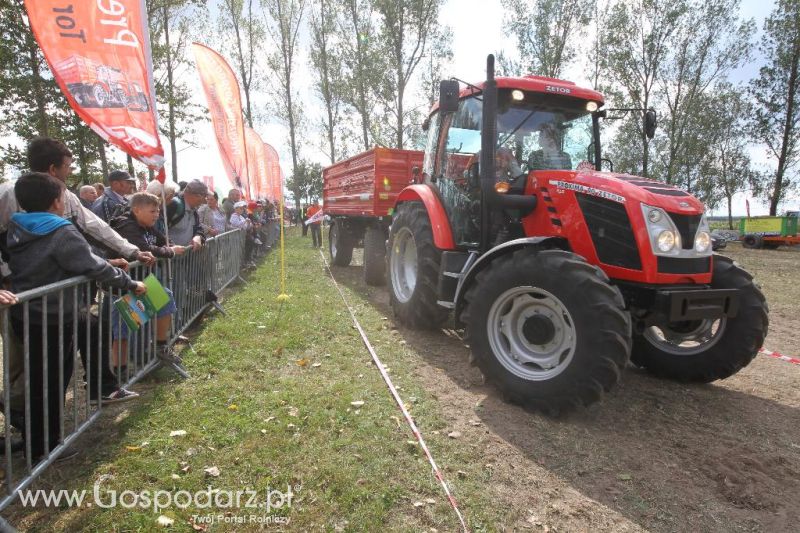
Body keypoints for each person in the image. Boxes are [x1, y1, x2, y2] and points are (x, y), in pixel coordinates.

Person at [7, 172, 146, 461]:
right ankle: (45, 445)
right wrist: (130, 282)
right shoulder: (60, 230)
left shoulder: (16, 227)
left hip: (27, 313)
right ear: (57, 200)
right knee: (54, 381)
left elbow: (69, 260)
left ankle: (36, 439)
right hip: (54, 316)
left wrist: (104, 261)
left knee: (38, 379)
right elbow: (88, 264)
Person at [109, 193, 185, 369]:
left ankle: (160, 347)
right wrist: (170, 251)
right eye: (152, 211)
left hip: (140, 284)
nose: (156, 214)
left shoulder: (147, 225)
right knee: (122, 332)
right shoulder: (126, 225)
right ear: (136, 210)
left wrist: (168, 245)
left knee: (165, 297)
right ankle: (120, 372)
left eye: (158, 211)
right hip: (120, 287)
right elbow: (143, 249)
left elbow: (162, 240)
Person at [166, 180, 207, 249]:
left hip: (186, 257)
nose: (204, 200)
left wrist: (198, 236)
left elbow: (199, 228)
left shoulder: (194, 210)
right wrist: (170, 248)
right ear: (196, 196)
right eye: (204, 196)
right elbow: (159, 231)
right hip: (171, 257)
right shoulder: (173, 205)